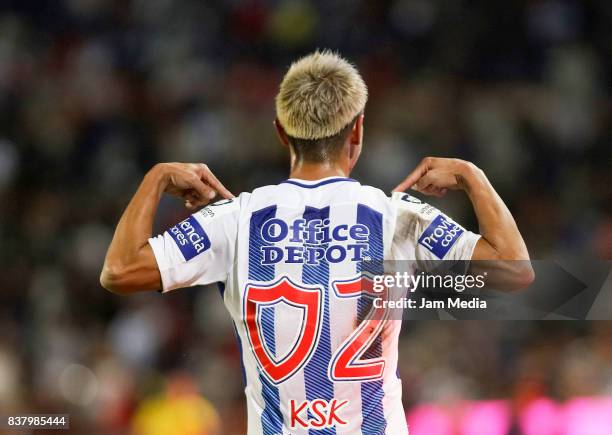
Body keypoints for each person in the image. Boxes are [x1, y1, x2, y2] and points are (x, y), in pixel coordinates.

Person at [100, 50, 533, 435]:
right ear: (358, 130)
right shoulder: (396, 216)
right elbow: (515, 271)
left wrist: (155, 179)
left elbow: (118, 272)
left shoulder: (235, 220)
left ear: (281, 134)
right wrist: (472, 177)